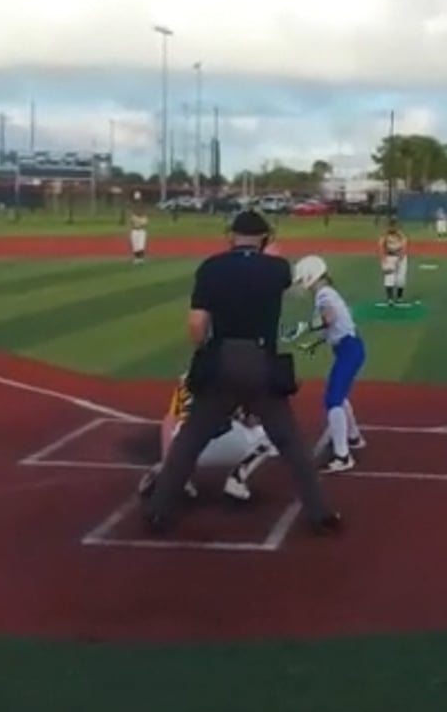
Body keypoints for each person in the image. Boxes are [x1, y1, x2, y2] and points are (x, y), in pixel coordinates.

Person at [142, 210, 340, 534]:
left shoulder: (211, 267)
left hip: (221, 359)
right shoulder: (277, 268)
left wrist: (208, 352)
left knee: (190, 440)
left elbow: (196, 327)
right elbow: (281, 281)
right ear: (264, 238)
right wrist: (269, 255)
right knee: (291, 443)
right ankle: (321, 514)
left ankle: (159, 510)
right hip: (262, 362)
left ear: (231, 236)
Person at [137, 368, 280, 503]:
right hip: (215, 446)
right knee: (270, 434)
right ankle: (236, 479)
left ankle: (176, 475)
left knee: (186, 426)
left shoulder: (187, 377)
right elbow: (250, 420)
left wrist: (168, 461)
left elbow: (169, 420)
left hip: (183, 449)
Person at [284, 254, 367, 473]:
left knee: (333, 400)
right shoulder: (328, 293)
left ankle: (343, 456)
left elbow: (329, 318)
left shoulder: (324, 295)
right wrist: (314, 343)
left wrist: (304, 328)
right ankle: (353, 437)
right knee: (339, 394)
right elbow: (335, 325)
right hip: (350, 348)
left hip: (349, 349)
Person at [379, 218, 409, 306]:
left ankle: (399, 297)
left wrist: (399, 258)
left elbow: (404, 248)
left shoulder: (401, 235)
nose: (392, 228)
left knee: (401, 279)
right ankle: (390, 298)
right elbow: (381, 246)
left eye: (394, 226)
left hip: (401, 258)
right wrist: (383, 259)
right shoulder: (385, 235)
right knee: (389, 278)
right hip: (389, 257)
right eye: (391, 226)